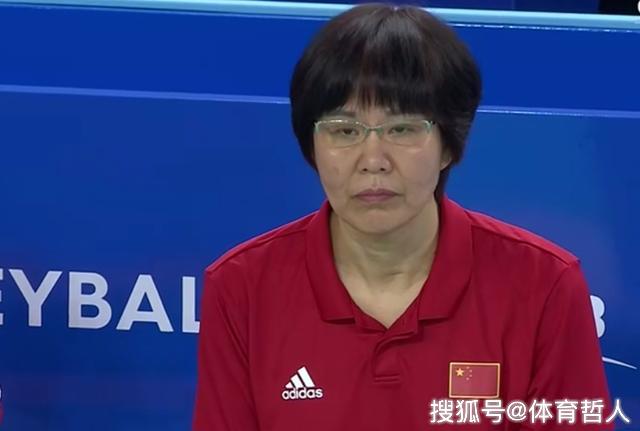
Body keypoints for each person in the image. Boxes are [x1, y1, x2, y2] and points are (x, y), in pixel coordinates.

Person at [193, 4, 613, 430]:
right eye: (345, 130)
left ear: (449, 146)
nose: (373, 160)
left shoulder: (544, 285)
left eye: (403, 129)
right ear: (311, 147)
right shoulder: (241, 288)